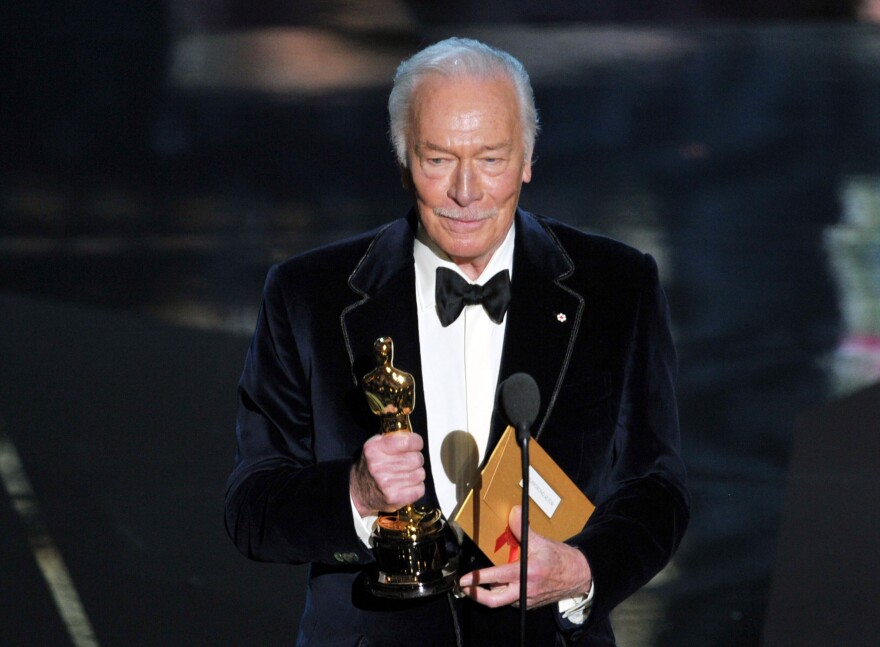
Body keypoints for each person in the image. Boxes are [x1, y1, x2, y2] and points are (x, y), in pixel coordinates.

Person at [225, 37, 689, 646]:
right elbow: (252, 508)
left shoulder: (617, 286)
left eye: (491, 159)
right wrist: (355, 492)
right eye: (439, 159)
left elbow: (657, 489)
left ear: (528, 159)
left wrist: (582, 572)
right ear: (403, 161)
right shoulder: (309, 295)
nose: (466, 191)